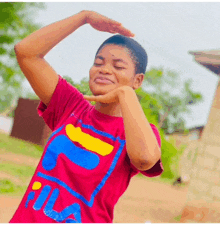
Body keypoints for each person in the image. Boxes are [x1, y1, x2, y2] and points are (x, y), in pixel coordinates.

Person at [10, 10, 163, 223]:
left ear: (137, 81)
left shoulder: (138, 132)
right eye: (98, 63)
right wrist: (83, 18)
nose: (105, 70)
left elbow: (145, 159)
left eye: (118, 66)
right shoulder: (69, 106)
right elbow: (25, 52)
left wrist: (125, 93)